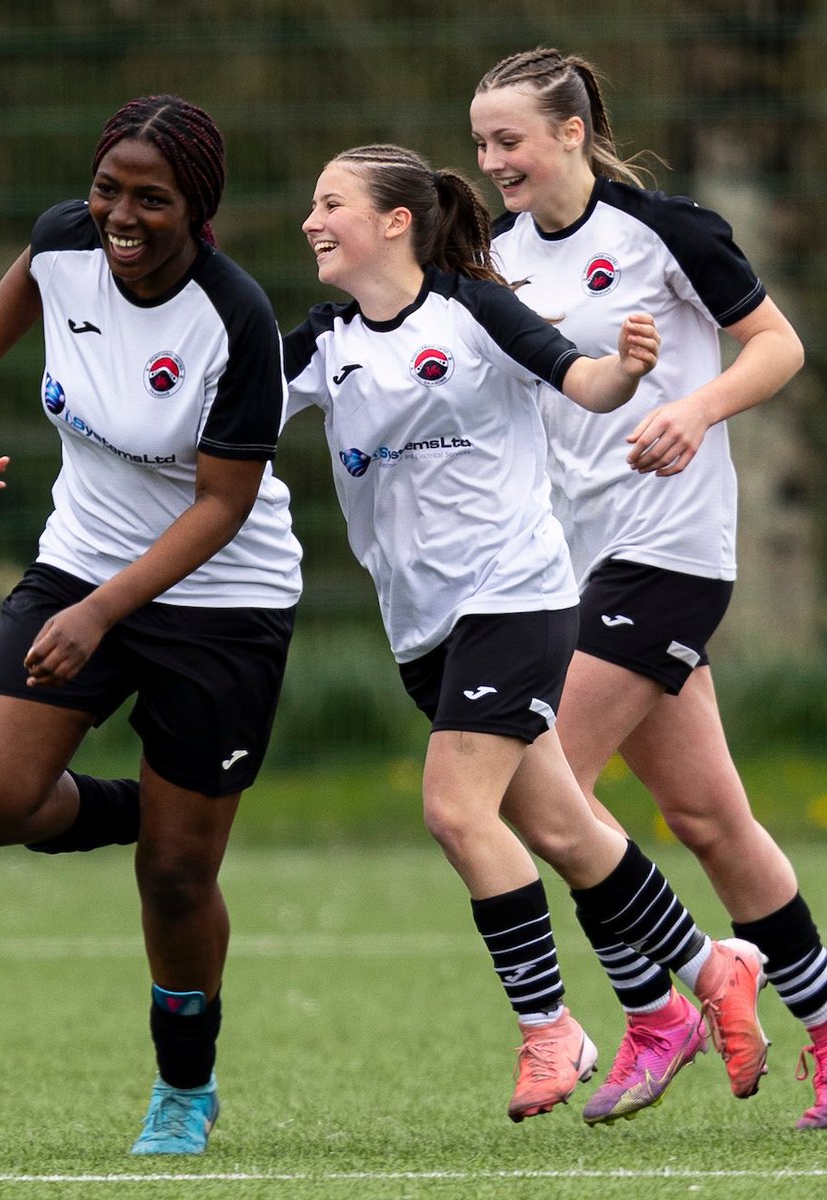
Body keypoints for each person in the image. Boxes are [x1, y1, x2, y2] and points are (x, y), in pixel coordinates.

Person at [281, 141, 768, 1125]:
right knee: (560, 826)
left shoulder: (472, 309)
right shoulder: (326, 337)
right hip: (421, 623)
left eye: (329, 202)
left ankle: (552, 1028)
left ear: (394, 221)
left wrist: (627, 372)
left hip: (517, 596)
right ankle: (706, 972)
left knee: (458, 813)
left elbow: (582, 383)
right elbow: (229, 420)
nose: (310, 221)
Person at [0, 94, 302, 1156]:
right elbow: (26, 284)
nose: (120, 215)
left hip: (221, 600)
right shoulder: (65, 240)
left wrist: (103, 614)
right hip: (81, 565)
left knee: (179, 879)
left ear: (197, 207)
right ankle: (164, 805)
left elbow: (222, 506)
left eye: (151, 198)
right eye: (108, 189)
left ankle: (184, 1089)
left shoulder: (234, 318)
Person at [470, 46, 827, 1130]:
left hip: (669, 552)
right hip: (567, 564)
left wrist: (698, 409)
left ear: (572, 133)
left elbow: (779, 347)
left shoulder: (662, 230)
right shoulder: (490, 256)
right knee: (709, 819)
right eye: (481, 144)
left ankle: (655, 1006)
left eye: (511, 141)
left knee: (545, 788)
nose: (493, 163)